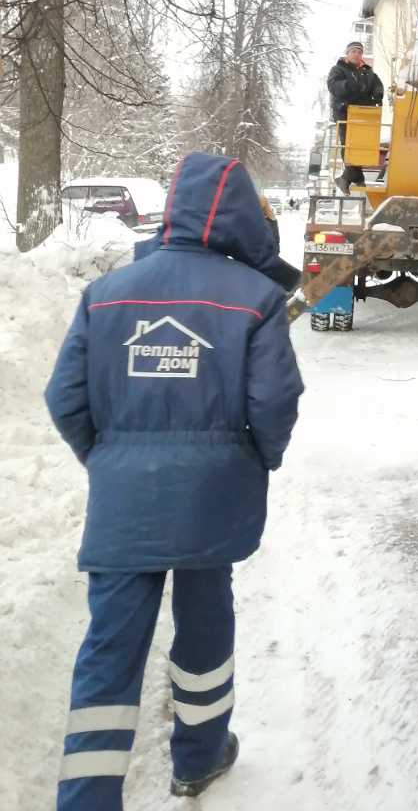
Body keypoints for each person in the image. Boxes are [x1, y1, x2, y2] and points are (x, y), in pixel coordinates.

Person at [45, 152, 304, 805]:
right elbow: (274, 402)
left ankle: (86, 798)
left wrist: (110, 459)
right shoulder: (256, 298)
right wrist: (253, 461)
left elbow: (64, 397)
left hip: (124, 508)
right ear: (244, 220)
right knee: (205, 623)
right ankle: (199, 754)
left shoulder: (105, 295)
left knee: (109, 652)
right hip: (213, 499)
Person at [326, 40, 385, 192]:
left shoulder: (367, 72)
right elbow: (333, 85)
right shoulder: (338, 69)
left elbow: (377, 85)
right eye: (353, 51)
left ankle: (350, 178)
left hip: (363, 114)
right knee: (349, 145)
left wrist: (377, 97)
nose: (356, 54)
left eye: (359, 52)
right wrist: (349, 85)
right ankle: (354, 177)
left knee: (361, 146)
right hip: (345, 112)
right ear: (347, 53)